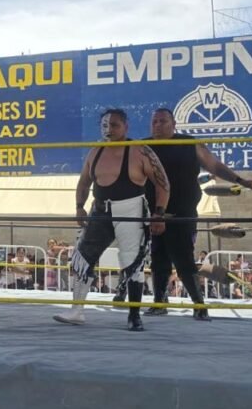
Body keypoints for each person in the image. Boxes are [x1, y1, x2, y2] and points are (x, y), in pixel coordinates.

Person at [55, 108, 169, 331]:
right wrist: (79, 207)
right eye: (105, 125)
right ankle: (76, 310)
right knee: (83, 257)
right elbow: (84, 183)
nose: (109, 129)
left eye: (114, 125)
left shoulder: (140, 151)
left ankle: (134, 316)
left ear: (126, 126)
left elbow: (163, 183)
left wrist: (159, 213)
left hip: (131, 210)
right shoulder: (95, 151)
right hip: (100, 210)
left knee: (132, 262)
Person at [145, 108, 252, 320]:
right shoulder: (142, 146)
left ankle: (199, 304)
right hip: (153, 211)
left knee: (183, 258)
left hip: (182, 211)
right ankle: (159, 302)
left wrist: (241, 181)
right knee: (158, 257)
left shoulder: (189, 143)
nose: (157, 125)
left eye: (163, 121)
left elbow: (214, 165)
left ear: (173, 124)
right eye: (154, 122)